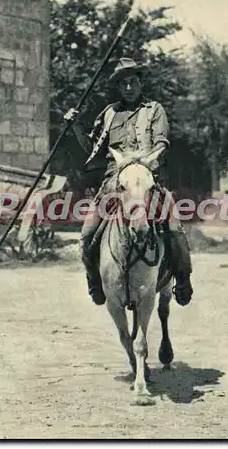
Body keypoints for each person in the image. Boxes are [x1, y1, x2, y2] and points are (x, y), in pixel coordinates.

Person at [64, 58, 193, 306]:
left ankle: (183, 277)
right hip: (115, 182)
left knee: (174, 228)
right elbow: (93, 150)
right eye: (123, 84)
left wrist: (142, 165)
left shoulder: (154, 110)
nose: (129, 87)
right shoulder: (110, 114)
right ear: (119, 87)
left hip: (148, 180)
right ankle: (94, 279)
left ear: (140, 82)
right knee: (87, 233)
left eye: (133, 82)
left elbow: (161, 145)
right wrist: (76, 126)